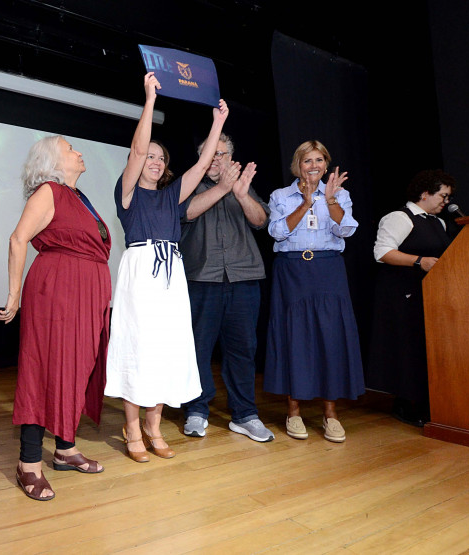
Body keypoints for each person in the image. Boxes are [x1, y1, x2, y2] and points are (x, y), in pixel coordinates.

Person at [105, 72, 227, 462]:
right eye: (151, 157)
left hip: (171, 275)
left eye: (162, 158)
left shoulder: (172, 197)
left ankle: (153, 427)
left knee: (166, 348)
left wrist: (218, 123)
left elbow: (202, 165)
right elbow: (137, 150)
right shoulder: (127, 192)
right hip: (142, 271)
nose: (155, 161)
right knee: (138, 347)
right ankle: (131, 427)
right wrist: (150, 101)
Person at [0, 135, 112, 501]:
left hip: (86, 294)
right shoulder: (49, 191)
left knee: (76, 369)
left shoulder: (78, 197)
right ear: (52, 162)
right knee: (44, 369)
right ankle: (29, 463)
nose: (79, 152)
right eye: (70, 149)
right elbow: (18, 239)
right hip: (58, 292)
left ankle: (65, 449)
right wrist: (14, 294)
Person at [264, 140, 364, 443]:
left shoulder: (340, 195)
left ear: (326, 164)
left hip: (328, 269)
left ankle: (330, 413)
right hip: (292, 270)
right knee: (294, 337)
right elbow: (277, 232)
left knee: (329, 337)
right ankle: (293, 411)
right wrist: (305, 204)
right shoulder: (281, 196)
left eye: (319, 160)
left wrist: (329, 200)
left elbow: (346, 229)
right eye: (308, 160)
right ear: (298, 165)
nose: (314, 166)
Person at [180, 134, 275, 442]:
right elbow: (185, 213)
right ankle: (196, 410)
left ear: (231, 158)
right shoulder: (189, 185)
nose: (215, 159)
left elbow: (261, 221)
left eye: (221, 154)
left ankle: (245, 415)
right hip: (201, 279)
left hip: (243, 278)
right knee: (198, 349)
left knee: (243, 350)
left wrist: (242, 195)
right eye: (210, 153)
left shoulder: (243, 186)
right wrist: (222, 188)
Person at [367, 169, 458, 427]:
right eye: (442, 196)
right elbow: (382, 252)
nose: (446, 202)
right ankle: (405, 404)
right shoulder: (399, 217)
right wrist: (419, 261)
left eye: (448, 197)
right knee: (407, 348)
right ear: (425, 193)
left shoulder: (439, 223)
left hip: (430, 295)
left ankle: (430, 401)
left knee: (426, 348)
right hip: (402, 295)